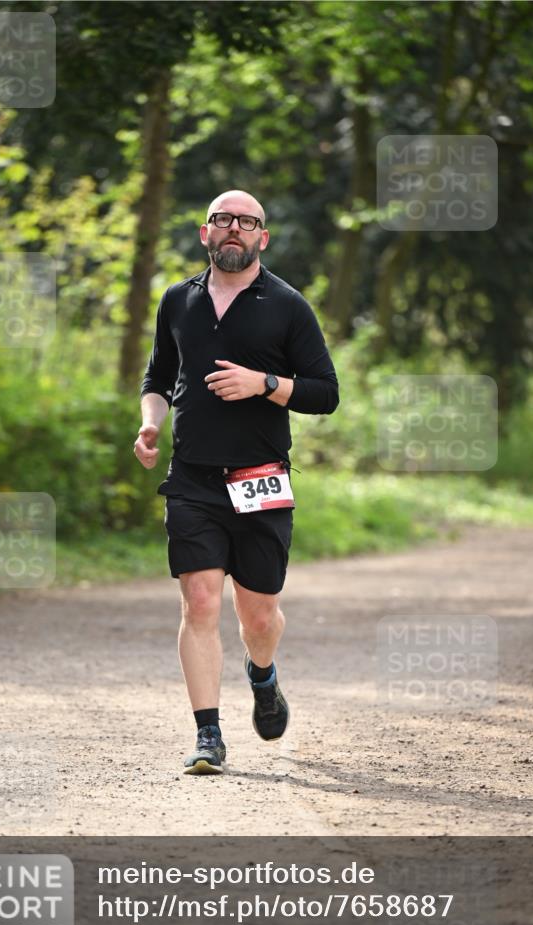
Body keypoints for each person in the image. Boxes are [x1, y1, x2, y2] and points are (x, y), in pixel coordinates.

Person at [135, 190, 339, 775]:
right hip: (192, 480)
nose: (234, 230)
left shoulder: (287, 306)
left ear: (262, 239)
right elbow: (158, 375)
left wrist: (264, 384)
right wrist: (150, 425)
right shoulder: (178, 300)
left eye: (246, 223)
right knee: (200, 602)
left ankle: (264, 676)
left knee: (258, 616)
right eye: (223, 220)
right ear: (205, 233)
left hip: (260, 480)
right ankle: (207, 736)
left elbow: (325, 393)